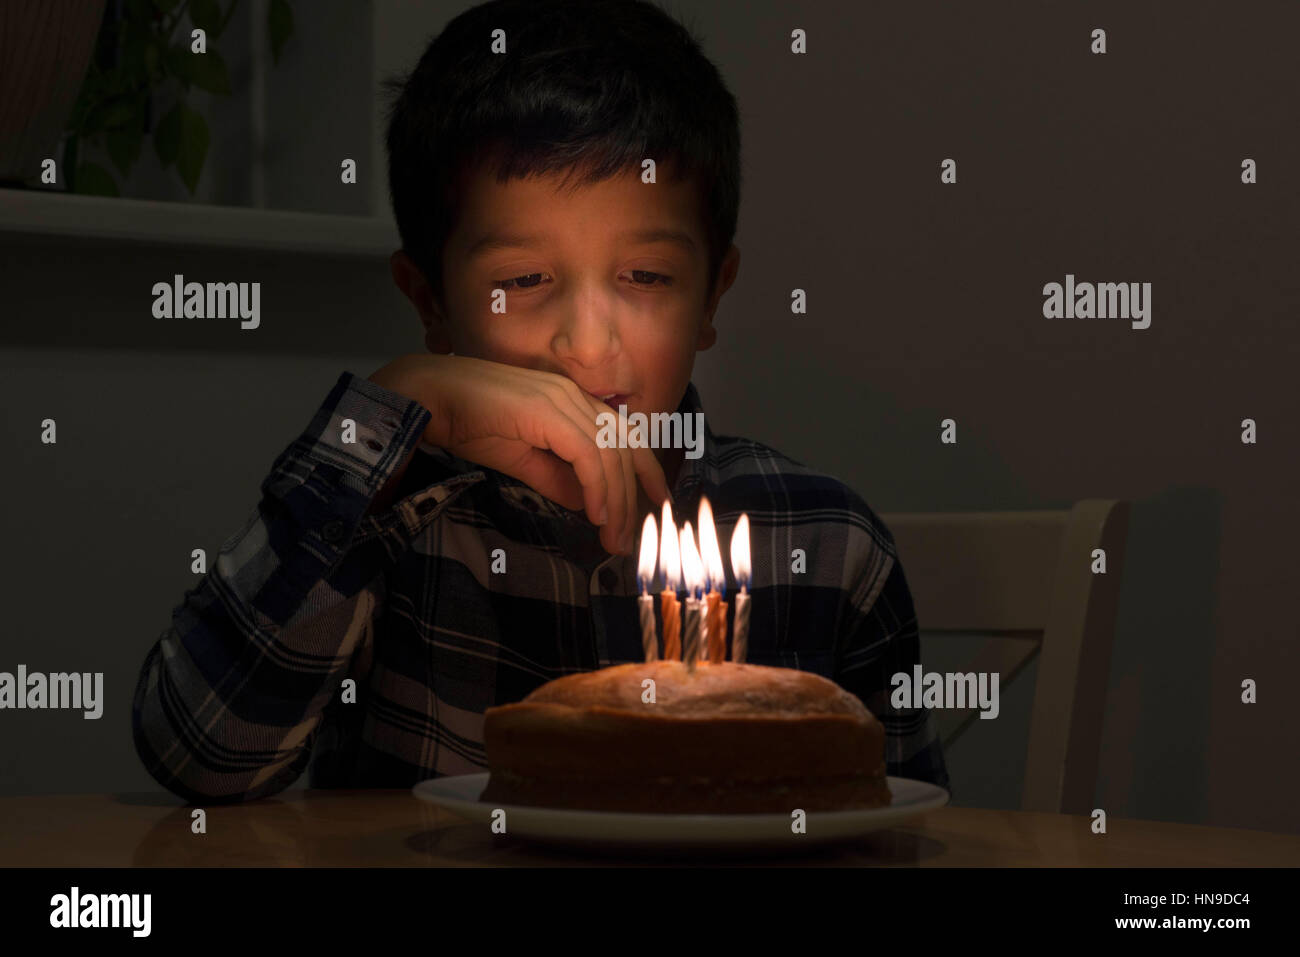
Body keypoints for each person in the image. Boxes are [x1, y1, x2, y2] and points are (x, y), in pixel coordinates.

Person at [131, 0, 949, 803]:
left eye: (647, 277)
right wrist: (396, 406)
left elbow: (902, 830)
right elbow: (200, 753)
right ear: (430, 303)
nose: (590, 347)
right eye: (523, 281)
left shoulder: (827, 550)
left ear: (711, 297)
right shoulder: (387, 528)